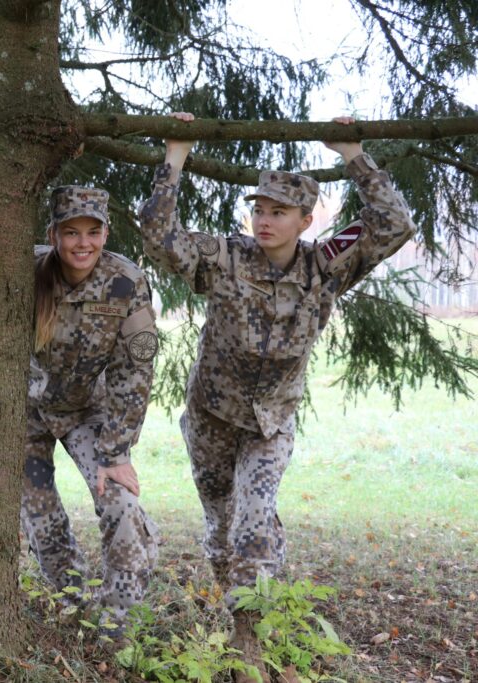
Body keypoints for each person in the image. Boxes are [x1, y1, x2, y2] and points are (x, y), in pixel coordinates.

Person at [138, 113, 416, 681]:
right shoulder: (225, 257)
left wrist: (352, 156)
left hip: (270, 424)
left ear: (305, 220)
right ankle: (235, 606)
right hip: (212, 417)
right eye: (259, 210)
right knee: (221, 527)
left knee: (255, 521)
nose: (264, 220)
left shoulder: (326, 264)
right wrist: (175, 158)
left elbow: (393, 227)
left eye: (278, 212)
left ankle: (250, 641)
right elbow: (158, 238)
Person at [23, 185, 160, 634]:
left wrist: (116, 452)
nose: (83, 243)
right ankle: (72, 604)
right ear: (54, 234)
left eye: (93, 231)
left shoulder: (126, 281)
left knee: (118, 501)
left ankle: (119, 621)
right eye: (71, 232)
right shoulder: (26, 270)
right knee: (41, 518)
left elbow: (134, 371)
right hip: (24, 414)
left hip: (87, 410)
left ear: (106, 232)